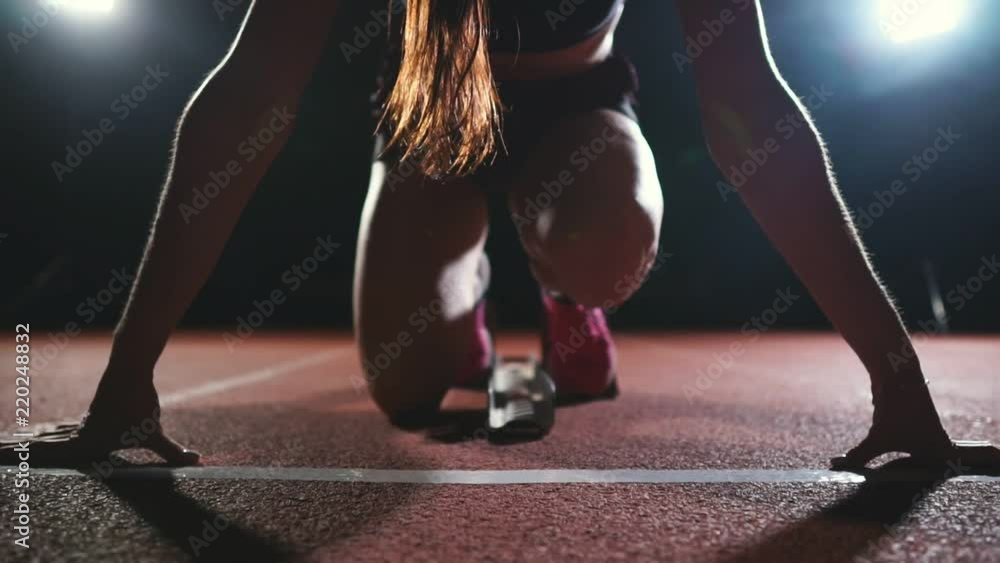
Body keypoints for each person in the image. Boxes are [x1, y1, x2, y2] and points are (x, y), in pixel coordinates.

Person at [2, 0, 995, 469]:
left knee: (603, 237)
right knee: (405, 386)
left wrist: (898, 385)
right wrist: (126, 382)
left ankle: (568, 290)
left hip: (577, 119)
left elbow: (754, 117)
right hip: (430, 126)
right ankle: (468, 300)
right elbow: (246, 99)